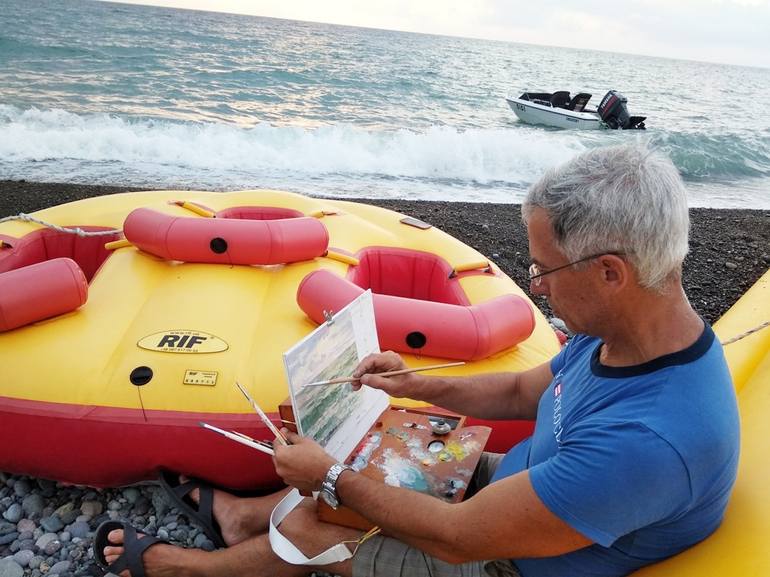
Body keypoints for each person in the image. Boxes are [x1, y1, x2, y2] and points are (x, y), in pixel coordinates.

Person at [98, 142, 740, 577]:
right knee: (377, 442)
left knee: (326, 526)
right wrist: (413, 388)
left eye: (542, 270)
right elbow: (522, 393)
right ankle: (245, 517)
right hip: (528, 484)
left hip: (512, 559)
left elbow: (456, 539)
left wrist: (328, 478)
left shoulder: (651, 441)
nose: (537, 286)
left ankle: (190, 569)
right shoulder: (629, 332)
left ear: (610, 273)